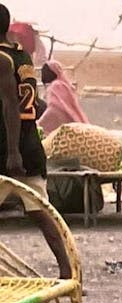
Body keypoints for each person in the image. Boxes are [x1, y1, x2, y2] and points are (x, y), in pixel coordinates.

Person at [0, 4, 71, 280]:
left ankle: (68, 271)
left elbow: (9, 106)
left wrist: (13, 152)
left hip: (9, 147)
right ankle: (67, 270)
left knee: (41, 211)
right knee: (41, 212)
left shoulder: (2, 59)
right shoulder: (22, 55)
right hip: (30, 143)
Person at [37, 60, 89, 134]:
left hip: (67, 128)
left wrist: (40, 123)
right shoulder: (62, 84)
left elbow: (55, 109)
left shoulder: (56, 86)